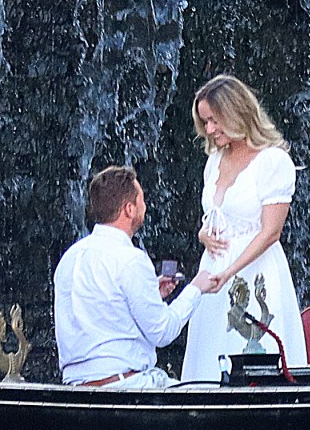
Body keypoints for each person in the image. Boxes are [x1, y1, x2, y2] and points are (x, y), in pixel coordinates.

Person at [179, 74, 309, 384]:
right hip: (213, 270)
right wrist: (202, 235)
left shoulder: (273, 162)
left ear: (234, 113)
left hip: (255, 272)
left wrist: (229, 273)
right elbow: (215, 214)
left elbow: (270, 232)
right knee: (209, 355)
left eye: (214, 121)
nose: (209, 129)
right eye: (205, 122)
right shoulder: (214, 159)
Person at [52, 164, 209, 388]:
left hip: (77, 388)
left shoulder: (70, 257)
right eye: (141, 200)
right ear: (129, 209)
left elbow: (104, 307)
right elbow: (162, 332)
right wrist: (196, 289)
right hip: (125, 386)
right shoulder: (131, 260)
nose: (144, 207)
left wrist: (151, 292)